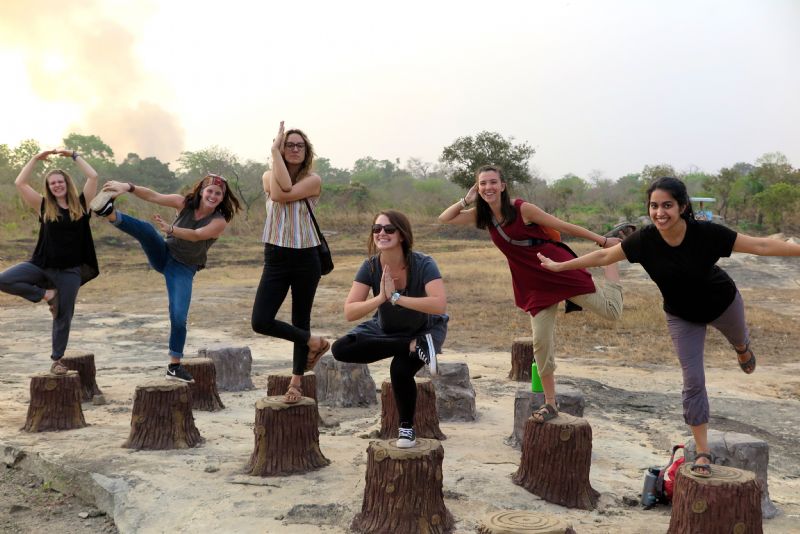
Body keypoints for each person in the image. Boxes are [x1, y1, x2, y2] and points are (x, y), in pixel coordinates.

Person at [537, 176, 800, 477]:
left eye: (667, 206)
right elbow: (605, 255)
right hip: (681, 316)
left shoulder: (707, 234)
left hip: (723, 303)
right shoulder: (645, 240)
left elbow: (760, 245)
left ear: (682, 206)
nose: (660, 213)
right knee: (693, 380)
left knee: (740, 340)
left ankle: (741, 349)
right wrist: (560, 266)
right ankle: (703, 452)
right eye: (654, 206)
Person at [438, 164, 623, 424]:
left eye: (493, 182)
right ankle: (550, 403)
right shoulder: (482, 214)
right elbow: (445, 218)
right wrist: (466, 200)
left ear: (503, 185)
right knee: (541, 343)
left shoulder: (522, 209)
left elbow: (563, 226)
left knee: (612, 312)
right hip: (533, 284)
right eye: (483, 183)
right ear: (477, 188)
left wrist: (604, 243)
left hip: (557, 268)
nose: (488, 187)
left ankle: (610, 259)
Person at [89, 174, 240, 382]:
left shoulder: (219, 221)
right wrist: (128, 186)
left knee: (179, 316)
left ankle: (174, 366)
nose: (213, 196)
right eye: (210, 191)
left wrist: (171, 229)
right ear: (201, 191)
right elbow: (153, 196)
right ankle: (109, 213)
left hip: (183, 268)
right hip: (164, 254)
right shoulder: (183, 203)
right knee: (147, 230)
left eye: (218, 193)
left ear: (222, 198)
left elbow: (197, 235)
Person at [332, 210, 448, 448]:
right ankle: (411, 346)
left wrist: (396, 298)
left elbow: (439, 305)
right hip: (387, 329)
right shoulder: (370, 266)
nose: (381, 233)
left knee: (400, 370)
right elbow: (349, 312)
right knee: (340, 348)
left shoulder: (424, 263)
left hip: (424, 330)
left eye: (389, 229)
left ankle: (406, 429)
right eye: (376, 229)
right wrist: (380, 298)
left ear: (402, 234)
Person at [0, 149, 100, 374]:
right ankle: (47, 295)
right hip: (40, 265)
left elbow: (93, 176)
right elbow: (20, 183)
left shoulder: (82, 204)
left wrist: (74, 154)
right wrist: (35, 158)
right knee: (3, 280)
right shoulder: (43, 205)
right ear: (49, 187)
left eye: (60, 181)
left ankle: (57, 360)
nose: (57, 185)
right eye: (52, 183)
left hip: (69, 272)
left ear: (67, 183)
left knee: (64, 316)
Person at [251, 122, 329, 403]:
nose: (295, 149)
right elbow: (277, 190)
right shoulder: (267, 175)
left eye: (300, 146)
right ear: (281, 150)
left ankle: (296, 383)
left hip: (306, 256)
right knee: (260, 321)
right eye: (289, 145)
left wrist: (276, 152)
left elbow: (283, 192)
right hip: (276, 255)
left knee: (301, 318)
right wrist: (275, 152)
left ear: (306, 151)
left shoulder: (313, 180)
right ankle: (313, 342)